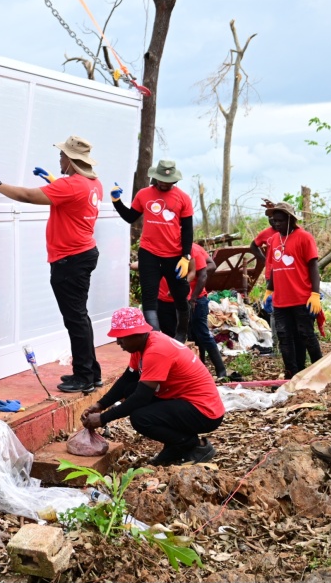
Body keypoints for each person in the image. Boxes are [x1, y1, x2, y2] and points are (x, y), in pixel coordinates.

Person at [0, 136, 104, 394]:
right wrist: (55, 182)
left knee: (75, 319)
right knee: (80, 317)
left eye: (63, 155)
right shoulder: (92, 183)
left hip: (70, 260)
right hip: (84, 253)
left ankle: (84, 376)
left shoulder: (71, 186)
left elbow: (28, 196)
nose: (60, 158)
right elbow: (74, 197)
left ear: (72, 160)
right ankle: (91, 372)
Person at [81, 307, 224, 465]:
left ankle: (190, 444)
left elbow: (141, 398)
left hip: (204, 412)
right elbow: (128, 379)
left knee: (141, 418)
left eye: (121, 338)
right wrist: (100, 404)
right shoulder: (142, 345)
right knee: (130, 389)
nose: (118, 343)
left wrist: (103, 418)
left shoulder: (156, 351)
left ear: (137, 334)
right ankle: (176, 443)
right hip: (186, 402)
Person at [111, 160, 194, 340]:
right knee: (149, 296)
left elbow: (188, 229)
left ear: (175, 180)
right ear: (155, 177)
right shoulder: (144, 194)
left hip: (174, 256)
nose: (164, 183)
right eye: (161, 180)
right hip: (149, 254)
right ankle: (156, 339)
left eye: (169, 181)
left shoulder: (183, 198)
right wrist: (116, 201)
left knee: (180, 296)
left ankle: (181, 336)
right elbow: (130, 217)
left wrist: (186, 256)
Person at [264, 202, 322, 378]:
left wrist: (315, 294)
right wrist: (269, 291)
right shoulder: (274, 240)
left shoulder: (304, 237)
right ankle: (292, 374)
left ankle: (319, 372)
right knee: (284, 337)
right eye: (274, 221)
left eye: (280, 220)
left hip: (302, 298)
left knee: (306, 336)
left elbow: (313, 267)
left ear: (290, 219)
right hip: (281, 300)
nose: (277, 224)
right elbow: (274, 267)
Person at [157, 242, 228, 381]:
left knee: (201, 334)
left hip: (193, 299)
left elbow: (204, 272)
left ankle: (221, 371)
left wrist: (193, 298)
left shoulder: (192, 249)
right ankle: (182, 372)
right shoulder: (159, 248)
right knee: (173, 338)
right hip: (165, 301)